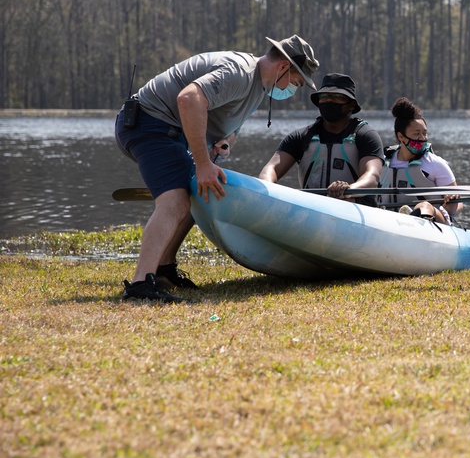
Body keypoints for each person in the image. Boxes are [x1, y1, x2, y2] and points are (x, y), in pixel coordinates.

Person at [115, 35, 319, 302]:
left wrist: (221, 143)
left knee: (198, 191)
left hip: (168, 131)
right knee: (175, 202)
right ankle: (141, 284)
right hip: (150, 124)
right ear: (283, 67)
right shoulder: (240, 72)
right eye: (297, 81)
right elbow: (189, 99)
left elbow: (228, 124)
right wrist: (202, 163)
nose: (294, 88)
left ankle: (164, 268)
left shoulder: (258, 86)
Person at [258, 74, 384, 206]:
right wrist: (267, 189)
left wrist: (349, 190)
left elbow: (372, 176)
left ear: (351, 105)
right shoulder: (300, 137)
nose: (329, 101)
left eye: (337, 97)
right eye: (324, 97)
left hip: (355, 206)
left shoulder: (366, 136)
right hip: (313, 208)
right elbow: (270, 169)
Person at [380, 97, 463, 224]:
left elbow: (458, 208)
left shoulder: (436, 164)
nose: (422, 138)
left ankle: (414, 218)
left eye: (424, 133)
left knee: (424, 206)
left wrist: (452, 201)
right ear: (400, 136)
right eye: (417, 133)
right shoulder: (383, 162)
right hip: (389, 220)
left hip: (433, 222)